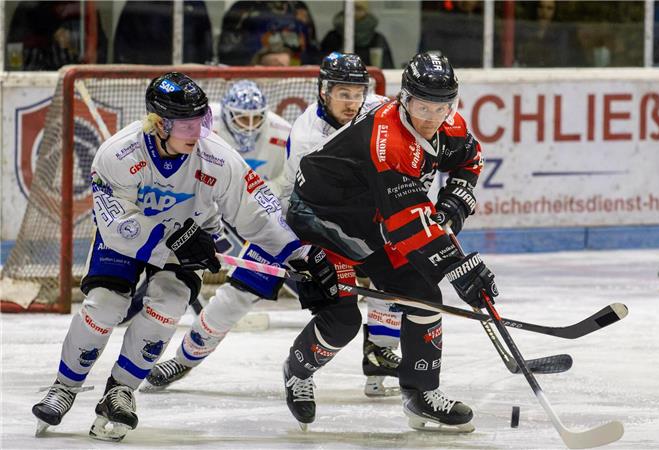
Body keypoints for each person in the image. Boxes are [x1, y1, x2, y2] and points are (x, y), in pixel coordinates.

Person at [30, 72, 337, 441]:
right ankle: (64, 387)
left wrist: (298, 253)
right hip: (131, 239)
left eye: (201, 121)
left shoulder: (217, 159)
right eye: (187, 125)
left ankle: (121, 390)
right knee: (104, 305)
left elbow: (257, 210)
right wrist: (169, 239)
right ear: (159, 124)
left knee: (167, 307)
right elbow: (117, 228)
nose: (197, 132)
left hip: (192, 238)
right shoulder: (117, 154)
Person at [281, 52, 497, 432]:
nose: (431, 117)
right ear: (404, 99)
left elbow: (470, 158)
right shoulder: (389, 141)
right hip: (323, 221)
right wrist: (458, 266)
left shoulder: (450, 124)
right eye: (421, 106)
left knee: (424, 294)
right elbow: (406, 225)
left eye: (441, 107)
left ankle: (420, 393)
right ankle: (297, 371)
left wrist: (456, 200)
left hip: (374, 221)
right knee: (341, 320)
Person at [140, 80, 297, 390]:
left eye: (256, 119)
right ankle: (183, 361)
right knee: (235, 296)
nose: (250, 126)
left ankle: (378, 350)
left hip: (273, 216)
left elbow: (287, 183)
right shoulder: (201, 127)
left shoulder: (284, 131)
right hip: (222, 211)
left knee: (343, 302)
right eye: (242, 118)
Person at [274, 52, 400, 398]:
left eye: (357, 92)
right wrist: (299, 251)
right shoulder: (307, 139)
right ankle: (299, 371)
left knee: (399, 272)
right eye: (343, 93)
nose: (351, 101)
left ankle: (378, 355)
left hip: (361, 213)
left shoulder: (377, 108)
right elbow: (298, 200)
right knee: (343, 317)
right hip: (316, 221)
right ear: (324, 92)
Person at [5, 1, 108, 70]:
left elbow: (99, 48)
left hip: (79, 82)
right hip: (36, 85)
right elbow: (15, 51)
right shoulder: (29, 7)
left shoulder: (85, 7)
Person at [113, 1, 213, 65]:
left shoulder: (194, 3)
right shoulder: (137, 3)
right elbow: (123, 41)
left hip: (185, 73)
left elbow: (203, 38)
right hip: (145, 73)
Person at [320, 1, 394, 69]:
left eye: (359, 9)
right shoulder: (332, 38)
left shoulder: (377, 40)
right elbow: (322, 66)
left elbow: (387, 69)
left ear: (366, 11)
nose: (354, 12)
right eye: (352, 8)